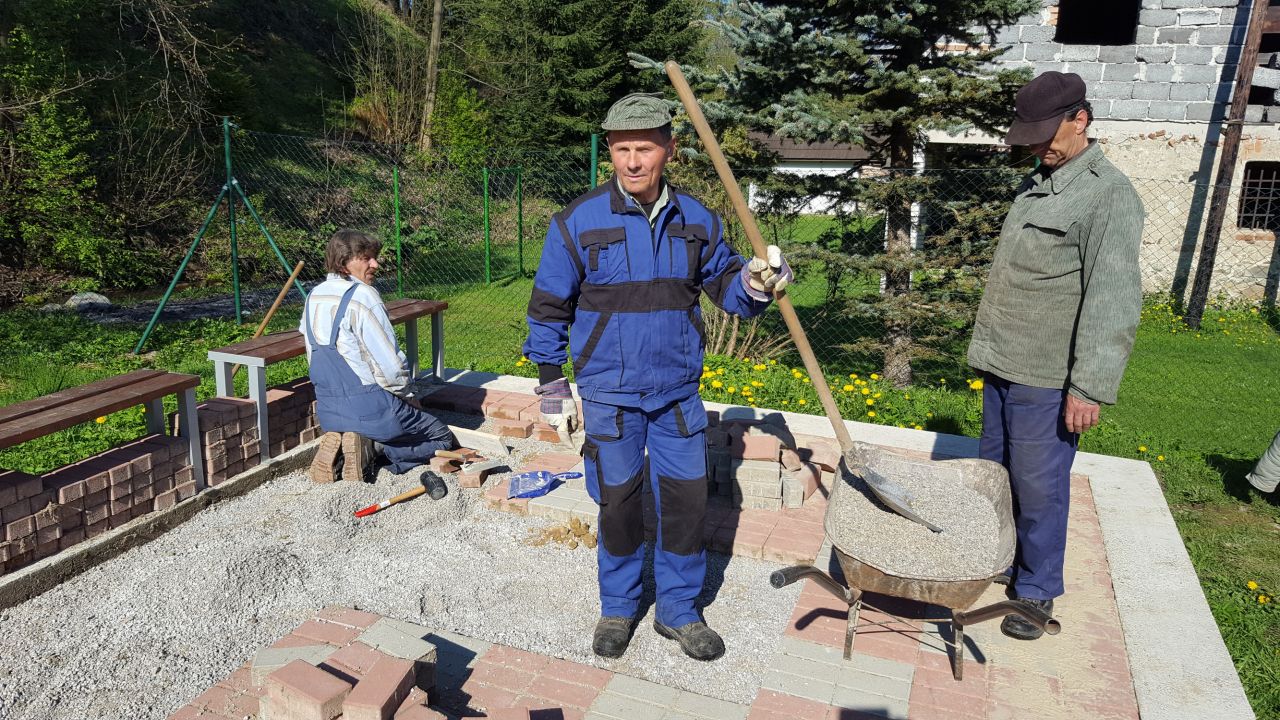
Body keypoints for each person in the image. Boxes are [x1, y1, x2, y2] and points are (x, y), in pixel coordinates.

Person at [524, 93, 792, 661]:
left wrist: (756, 282)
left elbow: (729, 291)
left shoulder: (697, 220)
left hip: (676, 395)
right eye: (621, 149)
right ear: (610, 152)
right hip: (610, 395)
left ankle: (678, 610)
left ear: (669, 148)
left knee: (685, 505)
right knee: (618, 505)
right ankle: (618, 607)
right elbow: (548, 308)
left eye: (644, 149)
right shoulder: (576, 222)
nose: (632, 162)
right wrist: (552, 386)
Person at [967, 72, 1145, 640]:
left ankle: (1036, 590)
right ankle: (1003, 557)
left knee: (1039, 486)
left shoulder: (1108, 196)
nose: (1037, 145)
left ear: (1080, 119)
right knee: (996, 472)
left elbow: (1113, 299)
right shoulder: (1038, 184)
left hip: (1046, 374)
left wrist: (1088, 387)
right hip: (1003, 362)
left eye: (1047, 133)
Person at [302, 228, 455, 489]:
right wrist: (408, 397)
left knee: (386, 422)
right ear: (344, 262)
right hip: (370, 409)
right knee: (441, 437)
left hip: (329, 410)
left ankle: (345, 445)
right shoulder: (363, 296)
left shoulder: (314, 295)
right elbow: (390, 366)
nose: (375, 264)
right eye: (366, 258)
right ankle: (375, 448)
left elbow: (312, 356)